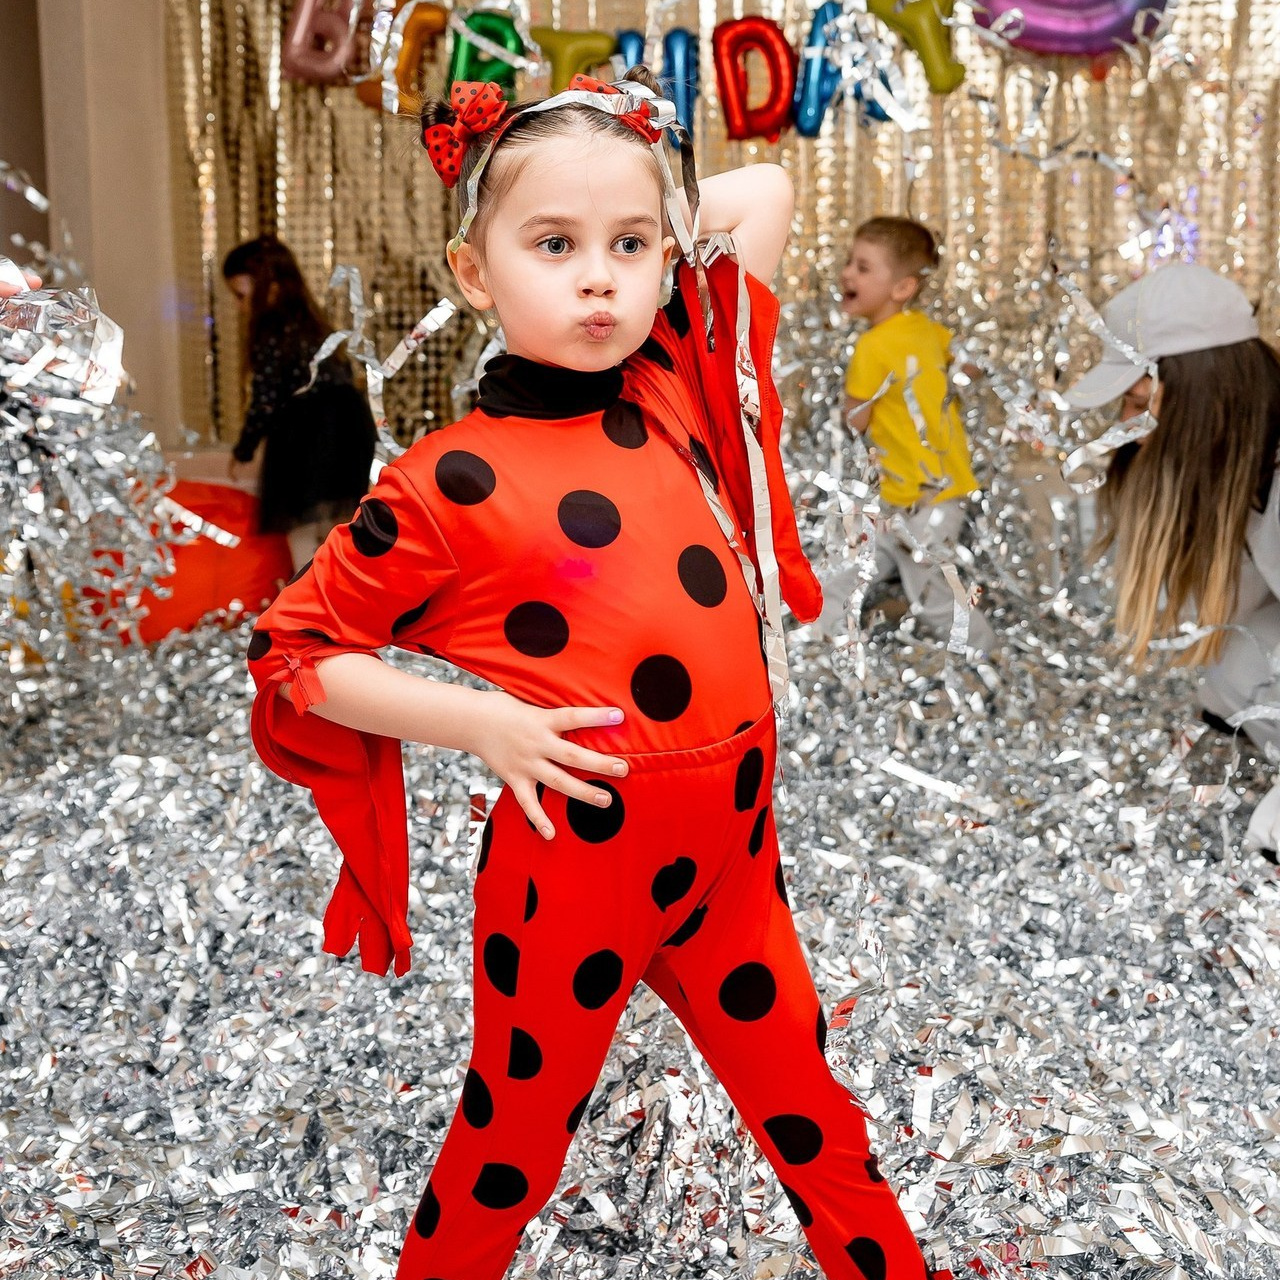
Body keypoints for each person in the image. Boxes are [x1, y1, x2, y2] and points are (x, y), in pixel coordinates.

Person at [246, 70, 936, 1280]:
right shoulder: (443, 482)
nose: (599, 277)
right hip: (572, 874)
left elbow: (763, 189)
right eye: (552, 245)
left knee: (815, 1117)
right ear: (473, 274)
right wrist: (482, 728)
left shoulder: (675, 384)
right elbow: (292, 652)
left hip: (730, 863)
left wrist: (595, 172)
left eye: (630, 245)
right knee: (508, 1148)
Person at [1064, 262, 1280, 858]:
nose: (1126, 425)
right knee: (1237, 659)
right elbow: (1210, 612)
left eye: (1137, 396)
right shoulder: (1243, 467)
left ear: (1202, 388)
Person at [820, 216, 995, 653]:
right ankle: (821, 651)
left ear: (901, 288)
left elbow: (855, 420)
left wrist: (847, 406)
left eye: (863, 267)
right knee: (846, 574)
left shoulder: (871, 347)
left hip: (923, 498)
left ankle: (987, 659)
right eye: (849, 263)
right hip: (910, 495)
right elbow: (965, 364)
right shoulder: (926, 330)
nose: (847, 274)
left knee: (933, 598)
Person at [222, 235, 375, 571]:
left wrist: (244, 449)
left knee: (303, 533)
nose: (239, 306)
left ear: (266, 285)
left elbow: (264, 399)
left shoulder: (273, 328)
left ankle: (307, 615)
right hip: (349, 428)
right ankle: (340, 613)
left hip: (309, 434)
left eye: (240, 295)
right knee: (338, 533)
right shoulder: (310, 322)